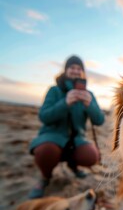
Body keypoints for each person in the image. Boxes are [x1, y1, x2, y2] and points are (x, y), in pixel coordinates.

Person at [28, 55, 105, 199]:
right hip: (52, 136)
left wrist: (90, 105)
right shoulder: (54, 91)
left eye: (79, 68)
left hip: (77, 139)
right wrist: (65, 103)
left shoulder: (89, 94)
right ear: (65, 71)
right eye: (72, 68)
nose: (75, 71)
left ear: (83, 73)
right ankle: (45, 178)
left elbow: (99, 120)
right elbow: (43, 116)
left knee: (91, 156)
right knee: (46, 151)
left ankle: (73, 165)